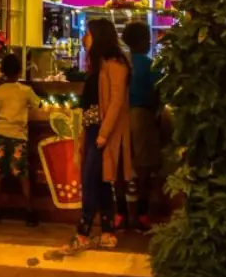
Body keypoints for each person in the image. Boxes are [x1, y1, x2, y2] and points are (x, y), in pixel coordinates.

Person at [63, 17, 131, 252]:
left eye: (88, 33)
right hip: (92, 129)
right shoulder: (100, 64)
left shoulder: (114, 65)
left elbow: (116, 102)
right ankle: (107, 230)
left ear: (99, 36)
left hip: (103, 131)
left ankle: (83, 230)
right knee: (100, 181)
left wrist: (103, 134)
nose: (84, 38)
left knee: (92, 180)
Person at [0, 53, 43, 227]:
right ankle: (30, 213)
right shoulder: (25, 91)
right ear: (19, 71)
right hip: (19, 138)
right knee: (22, 175)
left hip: (0, 136)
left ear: (2, 71)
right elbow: (38, 104)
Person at [121, 21, 161, 233]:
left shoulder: (123, 64)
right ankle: (140, 216)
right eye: (147, 37)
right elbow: (160, 91)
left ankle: (126, 213)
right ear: (141, 41)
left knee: (129, 169)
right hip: (142, 117)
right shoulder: (148, 64)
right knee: (143, 169)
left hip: (124, 117)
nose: (149, 40)